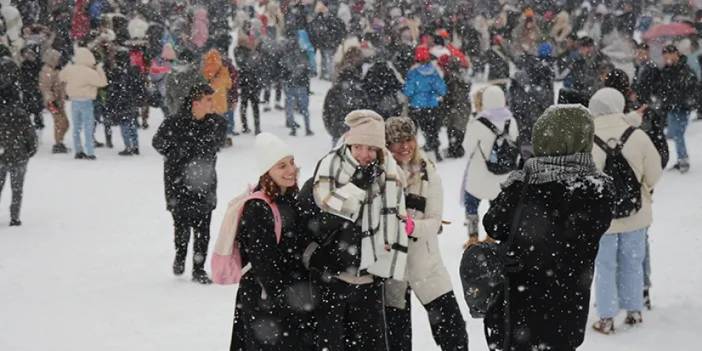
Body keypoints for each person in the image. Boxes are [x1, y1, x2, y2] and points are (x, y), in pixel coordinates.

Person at [482, 105, 615, 351]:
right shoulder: (599, 189)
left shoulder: (525, 184)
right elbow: (586, 232)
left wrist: (519, 182)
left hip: (519, 308)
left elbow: (493, 224)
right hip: (568, 311)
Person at [299, 110, 409, 351]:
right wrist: (357, 186)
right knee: (332, 343)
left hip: (370, 276)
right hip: (333, 275)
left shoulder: (389, 174)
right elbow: (321, 222)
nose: (364, 155)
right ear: (348, 143)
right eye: (358, 146)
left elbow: (395, 221)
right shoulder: (328, 168)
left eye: (371, 149)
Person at [383, 117, 468, 351]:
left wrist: (411, 227)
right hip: (392, 271)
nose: (405, 146)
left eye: (408, 139)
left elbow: (434, 221)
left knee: (454, 333)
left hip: (426, 264)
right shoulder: (380, 175)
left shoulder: (428, 172)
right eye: (397, 141)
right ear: (387, 144)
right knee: (397, 341)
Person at [588, 88, 663, 334]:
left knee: (605, 265)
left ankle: (607, 317)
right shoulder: (637, 136)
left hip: (602, 219)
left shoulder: (587, 137)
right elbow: (654, 172)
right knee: (633, 262)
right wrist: (643, 189)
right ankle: (634, 311)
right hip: (636, 213)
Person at [230, 132, 313, 350]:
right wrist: (286, 300)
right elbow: (264, 263)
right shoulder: (258, 208)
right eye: (282, 166)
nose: (291, 170)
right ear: (267, 172)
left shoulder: (291, 199)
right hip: (265, 300)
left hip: (285, 297)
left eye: (292, 162)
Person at [152, 84, 226, 284]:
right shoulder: (173, 123)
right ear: (196, 103)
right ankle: (180, 254)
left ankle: (199, 268)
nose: (212, 103)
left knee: (204, 227)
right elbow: (158, 143)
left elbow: (216, 144)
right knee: (181, 225)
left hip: (204, 182)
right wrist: (178, 155)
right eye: (208, 100)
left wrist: (195, 151)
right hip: (178, 182)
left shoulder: (217, 123)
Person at [461, 86, 518, 245]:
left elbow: (467, 148)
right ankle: (491, 236)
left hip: (479, 175)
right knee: (495, 206)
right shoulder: (511, 120)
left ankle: (472, 237)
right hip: (502, 175)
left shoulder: (478, 122)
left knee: (471, 203)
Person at [0, 58, 37, 226]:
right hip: (19, 155)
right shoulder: (21, 114)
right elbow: (30, 137)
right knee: (17, 189)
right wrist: (29, 150)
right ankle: (14, 217)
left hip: (2, 153)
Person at [59, 47, 108, 160]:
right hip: (86, 101)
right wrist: (99, 69)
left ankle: (78, 151)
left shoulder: (70, 69)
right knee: (88, 127)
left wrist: (68, 66)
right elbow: (103, 83)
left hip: (74, 101)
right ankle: (90, 152)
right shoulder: (89, 72)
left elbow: (61, 76)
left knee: (76, 128)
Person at [658, 44, 698, 173]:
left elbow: (691, 87)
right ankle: (681, 158)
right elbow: (663, 87)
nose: (667, 58)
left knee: (677, 133)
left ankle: (683, 159)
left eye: (669, 55)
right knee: (674, 134)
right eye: (665, 56)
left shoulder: (685, 69)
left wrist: (686, 101)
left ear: (676, 54)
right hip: (671, 107)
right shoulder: (666, 70)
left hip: (682, 107)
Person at [403, 46, 447, 161]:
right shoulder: (434, 71)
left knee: (413, 132)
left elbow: (408, 91)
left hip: (416, 106)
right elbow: (442, 89)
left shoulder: (413, 73)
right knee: (432, 131)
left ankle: (412, 155)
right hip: (432, 105)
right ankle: (436, 151)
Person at [105, 50, 145, 156]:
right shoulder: (133, 71)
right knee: (132, 124)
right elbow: (140, 86)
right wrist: (139, 98)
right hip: (132, 101)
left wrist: (110, 104)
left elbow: (113, 90)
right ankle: (135, 146)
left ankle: (128, 147)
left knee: (124, 125)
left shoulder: (116, 73)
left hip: (121, 102)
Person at [39, 48, 69, 154]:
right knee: (60, 123)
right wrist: (51, 100)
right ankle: (58, 144)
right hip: (52, 102)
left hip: (58, 101)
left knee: (64, 123)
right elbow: (45, 88)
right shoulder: (46, 71)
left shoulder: (55, 69)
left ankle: (59, 142)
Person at [281, 37, 312, 136]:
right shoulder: (303, 55)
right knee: (304, 109)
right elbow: (307, 72)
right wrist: (307, 87)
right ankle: (307, 128)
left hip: (291, 85)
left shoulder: (287, 57)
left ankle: (293, 128)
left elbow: (284, 72)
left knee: (290, 108)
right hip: (302, 85)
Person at [164, 49, 206, 118]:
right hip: (186, 112)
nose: (183, 63)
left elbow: (168, 96)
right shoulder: (196, 74)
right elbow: (168, 95)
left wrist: (173, 109)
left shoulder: (172, 74)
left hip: (187, 111)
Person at [235, 36, 262, 134]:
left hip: (246, 83)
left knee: (245, 105)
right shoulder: (246, 53)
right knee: (253, 106)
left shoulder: (240, 52)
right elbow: (253, 66)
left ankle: (246, 126)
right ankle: (255, 127)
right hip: (250, 83)